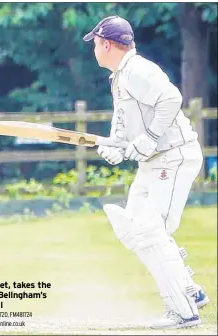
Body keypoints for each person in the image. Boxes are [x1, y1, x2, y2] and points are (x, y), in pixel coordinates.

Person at [84, 15, 209, 329]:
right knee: (135, 230)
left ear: (107, 44)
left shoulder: (138, 70)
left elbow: (171, 99)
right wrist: (113, 147)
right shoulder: (120, 77)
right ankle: (191, 293)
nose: (94, 51)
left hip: (173, 157)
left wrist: (151, 138)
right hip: (153, 162)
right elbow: (124, 129)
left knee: (150, 231)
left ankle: (184, 311)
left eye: (96, 45)